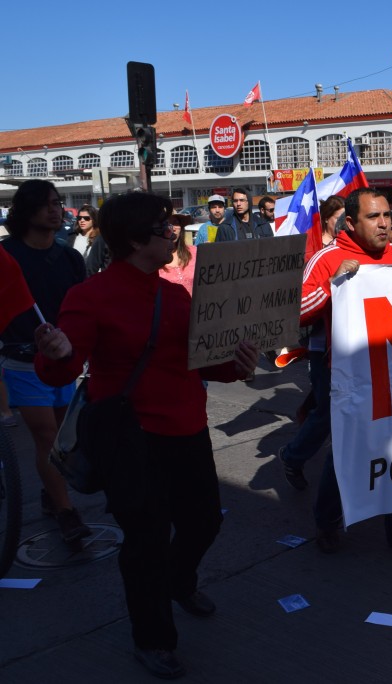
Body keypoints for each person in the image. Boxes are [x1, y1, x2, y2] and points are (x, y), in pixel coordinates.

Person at [34, 191, 258, 679]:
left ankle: (180, 581)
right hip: (130, 439)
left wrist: (237, 365)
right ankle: (153, 638)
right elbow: (60, 369)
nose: (174, 232)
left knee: (204, 522)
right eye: (164, 227)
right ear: (136, 240)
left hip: (187, 430)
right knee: (146, 540)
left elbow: (205, 363)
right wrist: (56, 350)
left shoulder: (175, 293)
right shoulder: (89, 296)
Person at [285, 188, 392, 555]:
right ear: (352, 222)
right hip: (351, 375)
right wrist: (333, 285)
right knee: (350, 451)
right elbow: (296, 312)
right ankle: (327, 521)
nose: (385, 223)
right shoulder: (329, 258)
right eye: (374, 217)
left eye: (388, 215)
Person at [0, 180, 89, 542]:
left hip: (65, 361)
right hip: (21, 359)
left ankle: (52, 496)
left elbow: (81, 309)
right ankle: (67, 511)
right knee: (46, 437)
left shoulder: (69, 257)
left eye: (57, 203)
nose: (56, 210)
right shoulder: (6, 257)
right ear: (27, 210)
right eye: (47, 204)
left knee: (64, 439)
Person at [159, 214, 197, 295]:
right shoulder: (154, 259)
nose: (173, 228)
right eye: (167, 224)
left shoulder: (194, 252)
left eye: (176, 223)